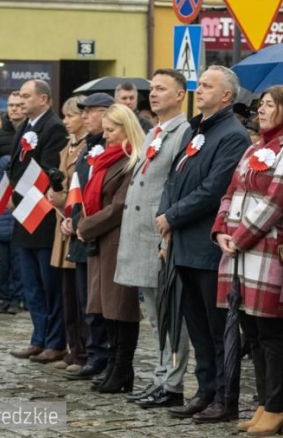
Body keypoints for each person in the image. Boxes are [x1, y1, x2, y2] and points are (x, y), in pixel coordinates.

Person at [213, 85, 283, 436]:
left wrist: (238, 238)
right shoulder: (256, 147)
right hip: (240, 252)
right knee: (251, 331)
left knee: (272, 332)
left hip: (268, 249)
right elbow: (231, 192)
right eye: (261, 105)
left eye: (269, 105)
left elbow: (277, 202)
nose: (261, 111)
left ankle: (278, 406)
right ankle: (263, 404)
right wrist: (220, 231)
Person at [158, 66, 251, 423]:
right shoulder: (196, 130)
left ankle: (225, 397)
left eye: (209, 86)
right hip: (183, 243)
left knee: (217, 330)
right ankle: (205, 390)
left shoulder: (233, 135)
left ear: (227, 95)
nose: (201, 89)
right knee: (196, 327)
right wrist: (166, 215)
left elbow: (214, 190)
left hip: (208, 249)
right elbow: (174, 176)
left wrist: (173, 215)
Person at [114, 69, 191, 408]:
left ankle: (172, 381)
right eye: (152, 88)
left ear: (180, 95)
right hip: (140, 235)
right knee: (153, 314)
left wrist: (167, 235)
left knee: (170, 314)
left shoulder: (184, 132)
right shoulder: (154, 132)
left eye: (162, 88)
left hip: (159, 235)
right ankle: (160, 375)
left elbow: (175, 187)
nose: (154, 94)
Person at [76, 104, 145, 393]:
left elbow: (119, 207)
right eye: (104, 130)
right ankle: (114, 367)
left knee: (121, 309)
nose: (106, 136)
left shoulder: (132, 160)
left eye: (111, 130)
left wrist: (85, 226)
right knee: (106, 309)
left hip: (118, 241)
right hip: (101, 241)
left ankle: (122, 369)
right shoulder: (106, 159)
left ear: (126, 129)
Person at [7, 80, 69, 362]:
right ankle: (39, 337)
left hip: (41, 216)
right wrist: (9, 193)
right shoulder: (25, 125)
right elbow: (16, 165)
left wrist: (18, 194)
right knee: (32, 284)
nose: (21, 100)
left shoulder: (53, 127)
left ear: (43, 99)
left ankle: (55, 342)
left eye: (26, 96)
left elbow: (46, 169)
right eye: (19, 95)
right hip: (24, 214)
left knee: (49, 283)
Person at [63, 92, 114, 382]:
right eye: (82, 111)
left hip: (99, 234)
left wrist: (85, 223)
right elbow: (78, 189)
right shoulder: (87, 149)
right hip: (81, 234)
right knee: (87, 300)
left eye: (90, 111)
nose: (84, 116)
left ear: (107, 113)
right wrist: (70, 220)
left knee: (101, 302)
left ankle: (104, 356)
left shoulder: (113, 147)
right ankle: (94, 354)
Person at [47, 95, 88, 372]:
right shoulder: (67, 148)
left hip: (76, 225)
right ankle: (73, 348)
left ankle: (84, 350)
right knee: (67, 293)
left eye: (70, 116)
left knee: (79, 293)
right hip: (61, 228)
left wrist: (60, 197)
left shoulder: (87, 149)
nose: (66, 121)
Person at [0, 156, 23, 315]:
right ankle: (5, 298)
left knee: (17, 270)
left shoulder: (20, 191)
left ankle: (16, 299)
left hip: (17, 239)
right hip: (0, 238)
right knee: (2, 270)